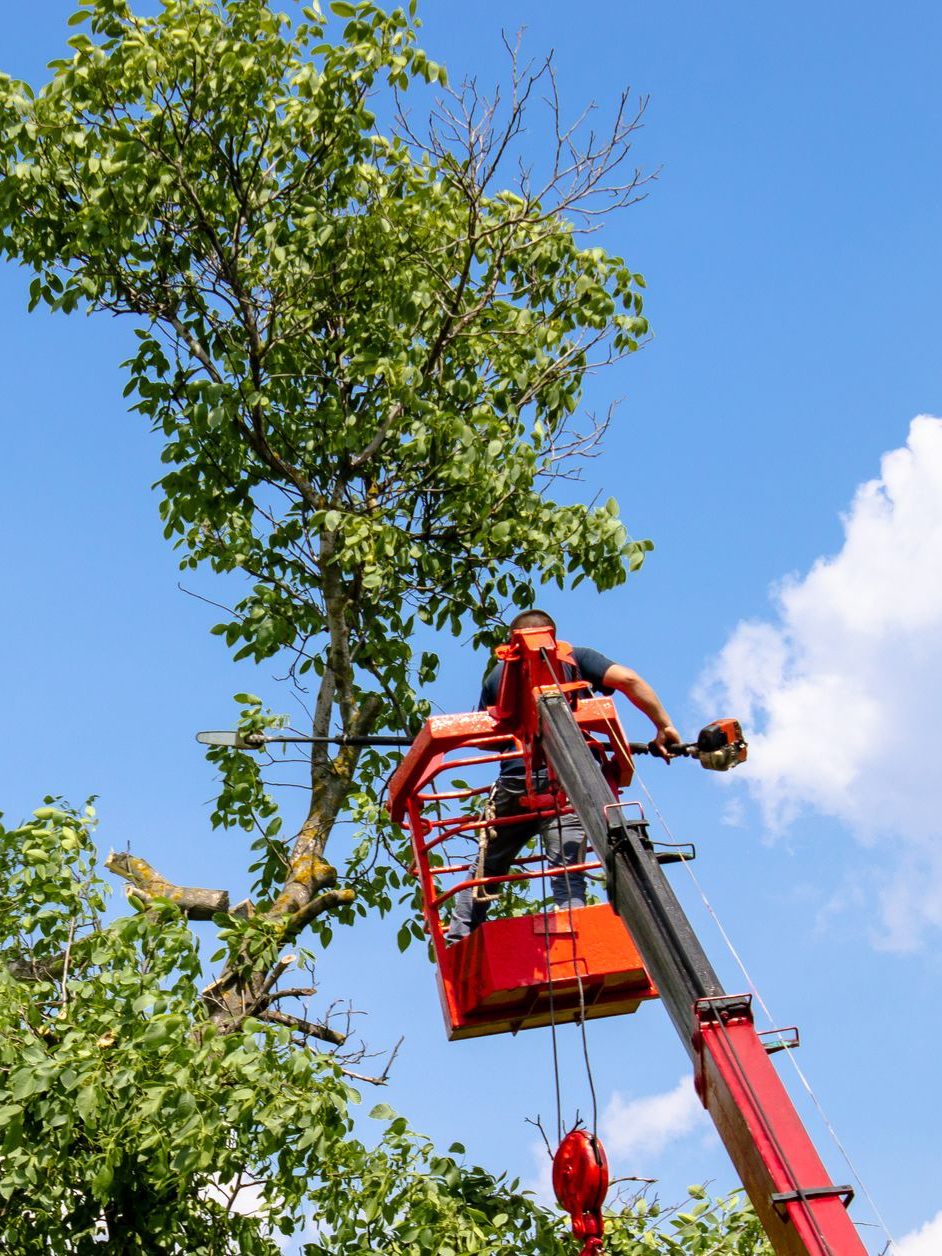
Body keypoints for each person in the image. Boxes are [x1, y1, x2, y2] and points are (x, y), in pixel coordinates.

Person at [446, 609, 681, 941]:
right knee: (568, 872)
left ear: (511, 642)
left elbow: (489, 738)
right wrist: (664, 725)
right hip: (569, 781)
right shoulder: (577, 658)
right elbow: (628, 680)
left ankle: (459, 938)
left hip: (516, 783)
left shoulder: (498, 675)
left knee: (487, 868)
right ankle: (574, 938)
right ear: (554, 635)